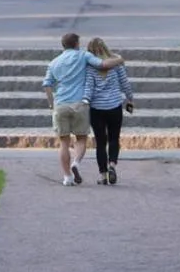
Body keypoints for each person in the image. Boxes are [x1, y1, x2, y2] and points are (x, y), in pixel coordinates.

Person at [42, 32, 123, 185]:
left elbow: (47, 84)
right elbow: (103, 65)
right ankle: (76, 163)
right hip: (80, 104)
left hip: (61, 104)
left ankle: (67, 177)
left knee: (64, 143)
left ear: (63, 45)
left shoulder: (53, 63)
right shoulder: (83, 56)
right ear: (77, 44)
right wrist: (119, 59)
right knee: (81, 139)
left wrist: (51, 103)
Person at [83, 37, 134, 185]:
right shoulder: (116, 64)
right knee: (113, 138)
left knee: (100, 142)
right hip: (114, 107)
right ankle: (112, 165)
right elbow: (125, 83)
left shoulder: (90, 67)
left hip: (97, 109)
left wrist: (85, 100)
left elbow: (88, 87)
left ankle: (103, 175)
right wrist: (130, 98)